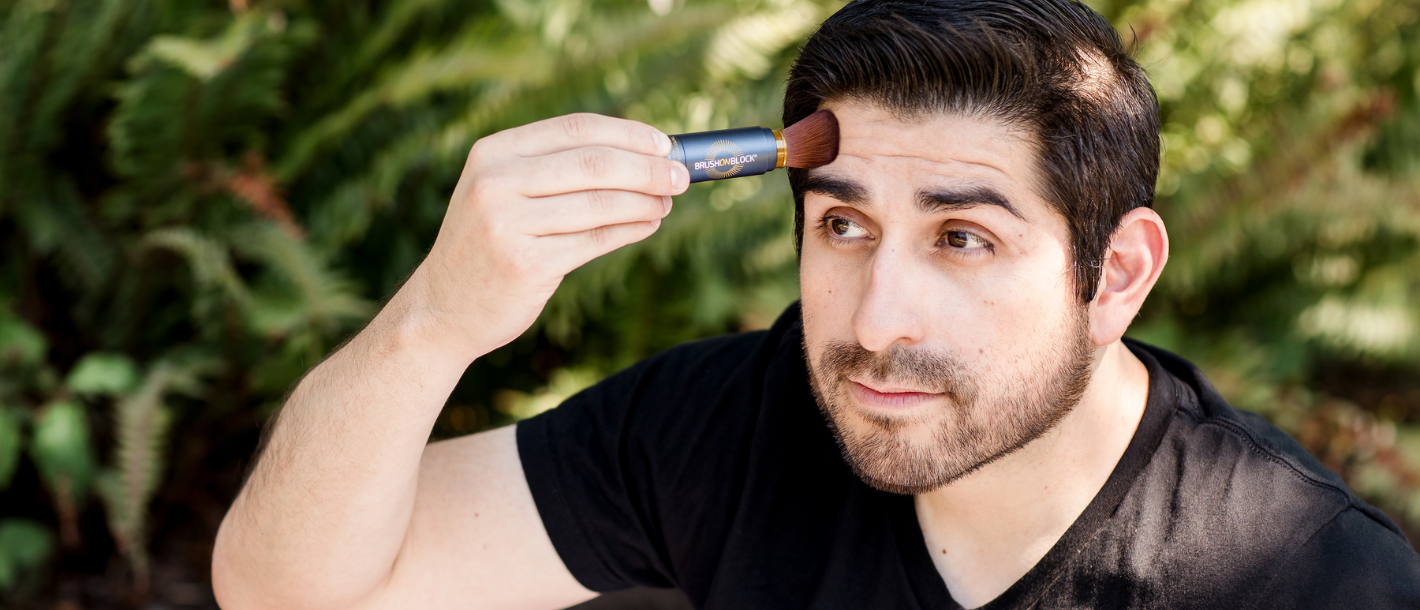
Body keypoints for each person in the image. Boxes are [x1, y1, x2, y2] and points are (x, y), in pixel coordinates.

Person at [210, 0, 1420, 608]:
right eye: (843, 225)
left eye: (962, 236)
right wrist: (436, 317)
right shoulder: (733, 423)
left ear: (1113, 274)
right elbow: (283, 589)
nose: (876, 318)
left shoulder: (1308, 578)